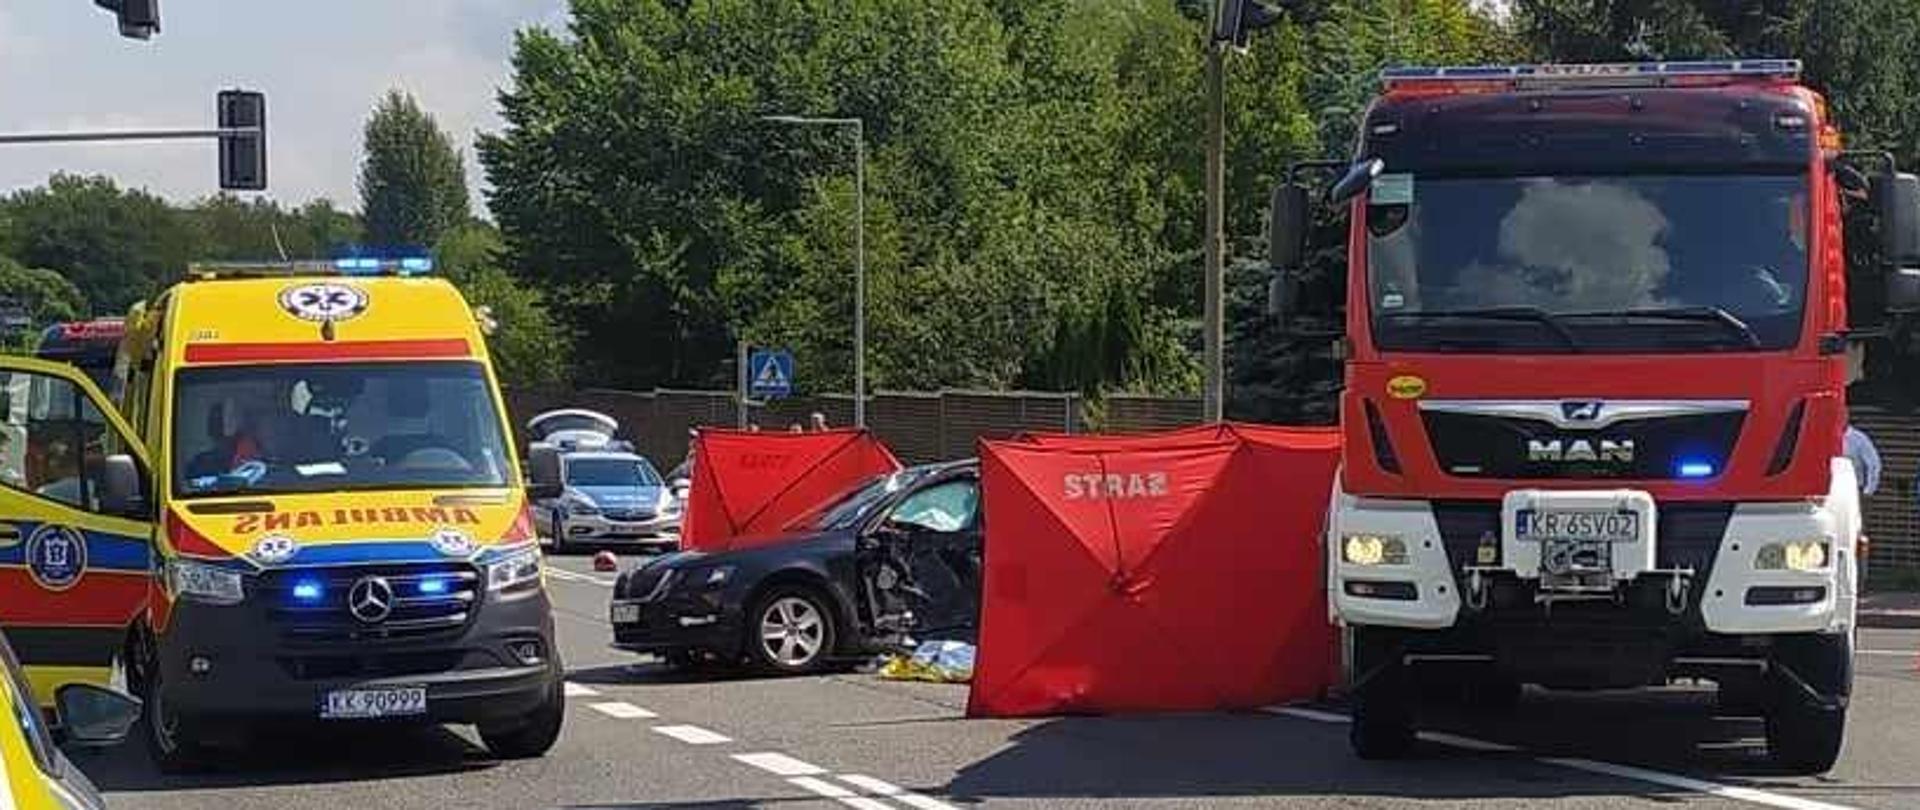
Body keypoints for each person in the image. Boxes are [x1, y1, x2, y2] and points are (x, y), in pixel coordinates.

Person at [1843, 424, 1881, 496]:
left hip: (1854, 488)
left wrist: (1869, 490)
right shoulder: (1826, 437)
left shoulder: (1858, 439)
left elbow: (1873, 464)